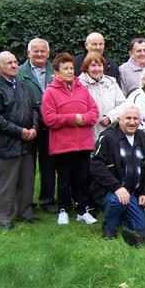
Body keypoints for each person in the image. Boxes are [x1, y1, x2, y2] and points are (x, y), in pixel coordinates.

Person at [0, 51, 39, 229]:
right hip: (7, 144)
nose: (14, 65)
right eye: (9, 63)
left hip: (27, 141)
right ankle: (5, 219)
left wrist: (34, 128)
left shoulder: (23, 86)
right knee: (6, 183)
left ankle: (24, 213)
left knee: (27, 180)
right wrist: (19, 131)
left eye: (15, 62)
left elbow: (35, 109)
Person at [41, 53, 99, 225]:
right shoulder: (50, 92)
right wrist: (73, 119)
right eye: (65, 68)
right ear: (57, 72)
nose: (69, 71)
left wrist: (85, 118)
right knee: (64, 180)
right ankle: (63, 209)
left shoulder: (82, 89)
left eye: (71, 68)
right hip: (63, 145)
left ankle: (82, 210)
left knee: (81, 179)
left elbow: (94, 112)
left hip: (83, 143)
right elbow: (49, 118)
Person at [89, 104, 145, 239]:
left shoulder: (142, 137)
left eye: (136, 118)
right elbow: (96, 165)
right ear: (119, 119)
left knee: (141, 227)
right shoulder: (107, 137)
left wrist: (144, 192)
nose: (132, 122)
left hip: (132, 192)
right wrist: (116, 187)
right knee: (117, 201)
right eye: (128, 118)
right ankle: (109, 228)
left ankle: (121, 214)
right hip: (109, 190)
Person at [17, 37, 57, 214]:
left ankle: (47, 200)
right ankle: (25, 201)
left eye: (43, 51)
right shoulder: (19, 72)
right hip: (29, 125)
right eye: (36, 51)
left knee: (49, 164)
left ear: (48, 53)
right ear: (28, 53)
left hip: (51, 126)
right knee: (27, 165)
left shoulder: (55, 71)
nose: (39, 54)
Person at [78, 52, 126, 141]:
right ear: (86, 67)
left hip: (111, 134)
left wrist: (110, 117)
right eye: (93, 65)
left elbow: (123, 105)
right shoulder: (79, 85)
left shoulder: (111, 83)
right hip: (88, 136)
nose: (97, 69)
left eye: (99, 65)